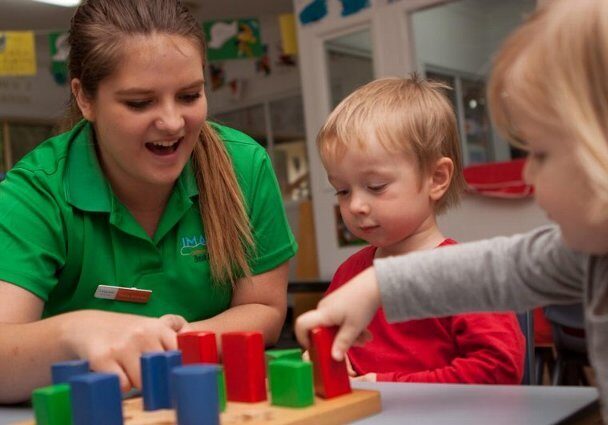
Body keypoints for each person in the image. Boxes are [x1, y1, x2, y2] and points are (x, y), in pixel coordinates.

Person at [295, 0, 608, 421]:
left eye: (543, 153)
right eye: (342, 192)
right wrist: (375, 287)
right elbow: (500, 267)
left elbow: (495, 366)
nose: (528, 173)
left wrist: (378, 381)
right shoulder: (584, 256)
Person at [0, 0, 297, 403]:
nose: (173, 122)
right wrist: (78, 331)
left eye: (190, 95)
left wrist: (172, 343)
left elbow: (263, 305)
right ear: (85, 99)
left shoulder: (244, 166)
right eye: (140, 103)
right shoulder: (35, 194)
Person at [315, 76, 525, 383]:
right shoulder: (350, 273)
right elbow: (332, 342)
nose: (355, 205)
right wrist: (320, 356)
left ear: (437, 179)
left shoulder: (466, 274)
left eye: (376, 186)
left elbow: (499, 370)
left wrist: (385, 387)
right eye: (343, 191)